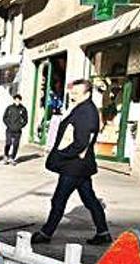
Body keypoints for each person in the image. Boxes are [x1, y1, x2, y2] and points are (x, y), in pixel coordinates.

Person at [32, 79, 111, 246]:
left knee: (59, 199)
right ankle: (103, 232)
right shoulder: (82, 108)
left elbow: (82, 142)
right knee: (89, 199)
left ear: (87, 93)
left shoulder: (87, 112)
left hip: (74, 166)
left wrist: (61, 155)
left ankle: (46, 233)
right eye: (72, 91)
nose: (72, 95)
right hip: (79, 166)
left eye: (76, 92)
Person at [2, 94, 28, 165]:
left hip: (18, 130)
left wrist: (20, 126)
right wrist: (8, 125)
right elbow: (4, 117)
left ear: (20, 101)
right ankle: (6, 156)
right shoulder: (9, 108)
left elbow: (25, 120)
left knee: (16, 145)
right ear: (14, 100)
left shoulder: (23, 109)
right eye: (16, 100)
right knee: (8, 143)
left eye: (19, 100)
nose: (17, 102)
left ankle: (12, 158)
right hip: (9, 129)